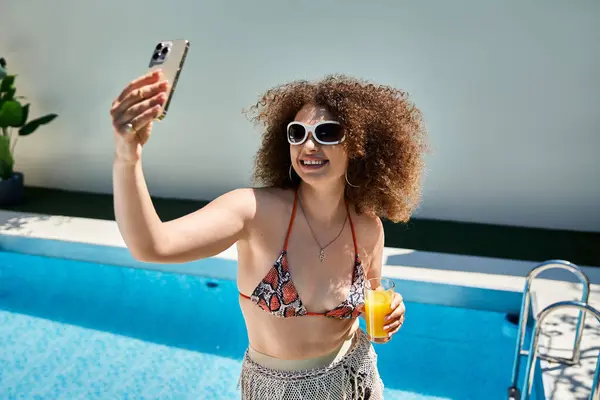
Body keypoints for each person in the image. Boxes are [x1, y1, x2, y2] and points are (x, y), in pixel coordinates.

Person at [109, 70, 427, 399]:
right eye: (297, 133)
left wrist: (389, 320)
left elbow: (373, 322)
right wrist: (126, 156)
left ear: (360, 147)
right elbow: (151, 246)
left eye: (327, 133)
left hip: (355, 383)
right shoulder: (252, 211)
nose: (309, 144)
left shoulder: (367, 227)